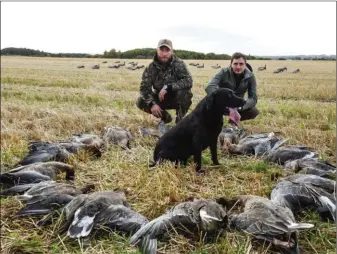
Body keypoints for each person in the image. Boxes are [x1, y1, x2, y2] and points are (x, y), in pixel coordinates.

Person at [136, 39, 193, 129]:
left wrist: (168, 87)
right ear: (157, 50)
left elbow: (188, 81)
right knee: (140, 101)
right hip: (160, 99)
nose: (164, 53)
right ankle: (166, 118)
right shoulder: (151, 67)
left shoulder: (179, 64)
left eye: (167, 50)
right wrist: (152, 104)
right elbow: (144, 89)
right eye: (161, 50)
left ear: (172, 51)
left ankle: (180, 122)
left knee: (185, 93)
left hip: (177, 97)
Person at [205, 52, 259, 126]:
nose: (238, 67)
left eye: (241, 64)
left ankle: (234, 121)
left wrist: (241, 107)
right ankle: (214, 122)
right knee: (207, 106)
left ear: (245, 64)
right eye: (235, 64)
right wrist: (221, 100)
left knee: (253, 111)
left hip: (237, 104)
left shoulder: (250, 76)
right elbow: (210, 87)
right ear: (231, 64)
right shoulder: (223, 72)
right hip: (223, 104)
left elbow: (253, 98)